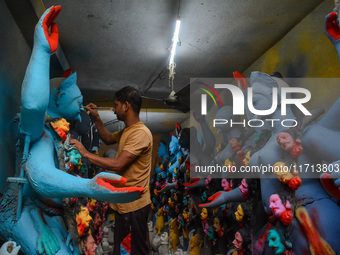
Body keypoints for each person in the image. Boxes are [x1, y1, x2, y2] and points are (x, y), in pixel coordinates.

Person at [71, 86, 153, 255]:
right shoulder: (128, 131)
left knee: (133, 250)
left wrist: (86, 153)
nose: (114, 109)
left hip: (134, 207)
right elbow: (108, 139)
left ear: (126, 105)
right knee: (122, 249)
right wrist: (97, 118)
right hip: (126, 205)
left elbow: (118, 164)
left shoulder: (140, 133)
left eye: (116, 105)